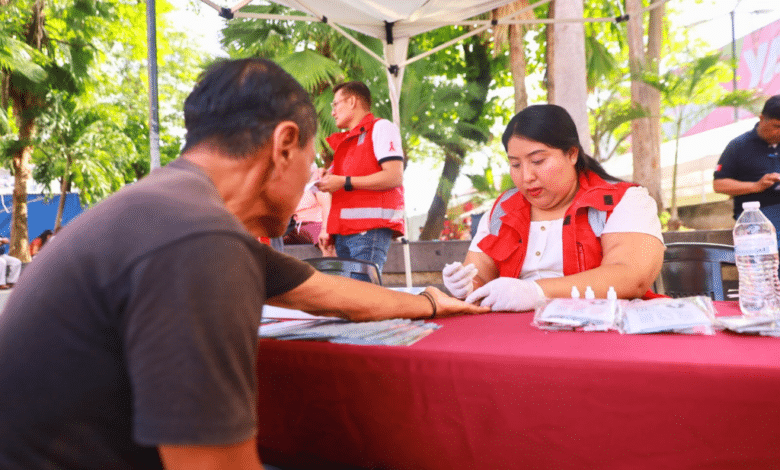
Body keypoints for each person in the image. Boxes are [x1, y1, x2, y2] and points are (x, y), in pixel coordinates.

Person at [0, 58, 487, 470]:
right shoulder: (200, 239)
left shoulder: (173, 206)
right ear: (284, 145)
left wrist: (427, 302)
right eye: (312, 162)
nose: (311, 184)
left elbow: (325, 293)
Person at [442, 104, 665, 311]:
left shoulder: (624, 201)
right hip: (515, 336)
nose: (526, 176)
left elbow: (630, 276)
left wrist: (536, 291)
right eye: (515, 164)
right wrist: (467, 285)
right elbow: (479, 274)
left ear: (572, 154)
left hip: (604, 333)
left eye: (538, 161)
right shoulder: (502, 210)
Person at [316, 81, 404, 279]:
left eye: (335, 104)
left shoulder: (381, 127)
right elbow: (340, 185)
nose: (333, 112)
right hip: (344, 234)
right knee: (353, 301)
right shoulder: (347, 142)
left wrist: (344, 182)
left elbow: (394, 176)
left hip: (369, 232)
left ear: (352, 101)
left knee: (363, 299)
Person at [713, 95, 780, 243]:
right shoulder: (738, 146)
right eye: (777, 126)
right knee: (770, 237)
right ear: (762, 119)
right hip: (755, 213)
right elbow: (718, 184)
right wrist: (756, 186)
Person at [284, 163, 336, 256]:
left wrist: (325, 229)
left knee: (325, 245)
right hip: (292, 229)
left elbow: (326, 205)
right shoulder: (284, 190)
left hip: (314, 225)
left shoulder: (314, 182)